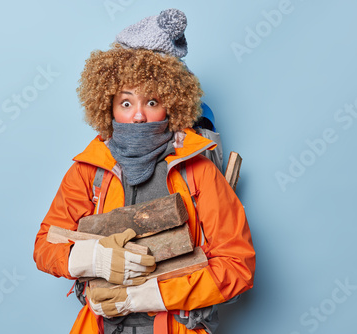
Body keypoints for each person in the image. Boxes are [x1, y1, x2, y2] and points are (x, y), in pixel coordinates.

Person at [33, 9, 255, 334]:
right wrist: (92, 259)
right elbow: (45, 247)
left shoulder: (199, 172)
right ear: (106, 104)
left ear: (173, 104)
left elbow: (238, 266)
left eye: (151, 102)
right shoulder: (88, 172)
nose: (138, 116)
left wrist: (146, 296)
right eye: (126, 103)